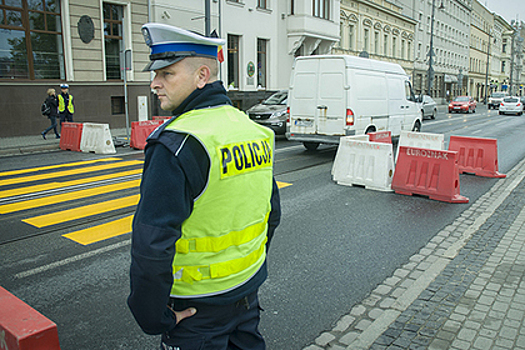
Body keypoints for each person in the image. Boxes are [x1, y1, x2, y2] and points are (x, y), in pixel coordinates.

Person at [127, 23, 281, 350]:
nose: (154, 83)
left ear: (201, 76)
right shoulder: (254, 131)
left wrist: (155, 318)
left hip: (194, 310)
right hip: (246, 295)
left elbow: (152, 248)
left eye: (166, 74)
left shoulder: (176, 143)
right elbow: (272, 214)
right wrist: (246, 275)